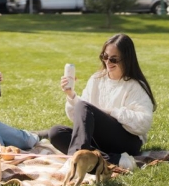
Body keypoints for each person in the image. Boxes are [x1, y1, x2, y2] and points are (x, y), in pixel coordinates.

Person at [39, 34, 156, 171]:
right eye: (105, 57)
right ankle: (113, 160)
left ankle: (76, 162)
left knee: (83, 107)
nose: (108, 62)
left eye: (113, 59)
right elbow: (83, 117)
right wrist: (71, 94)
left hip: (127, 141)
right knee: (56, 133)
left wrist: (111, 112)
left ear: (127, 59)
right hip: (100, 141)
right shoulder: (96, 79)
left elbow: (144, 123)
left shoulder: (135, 85)